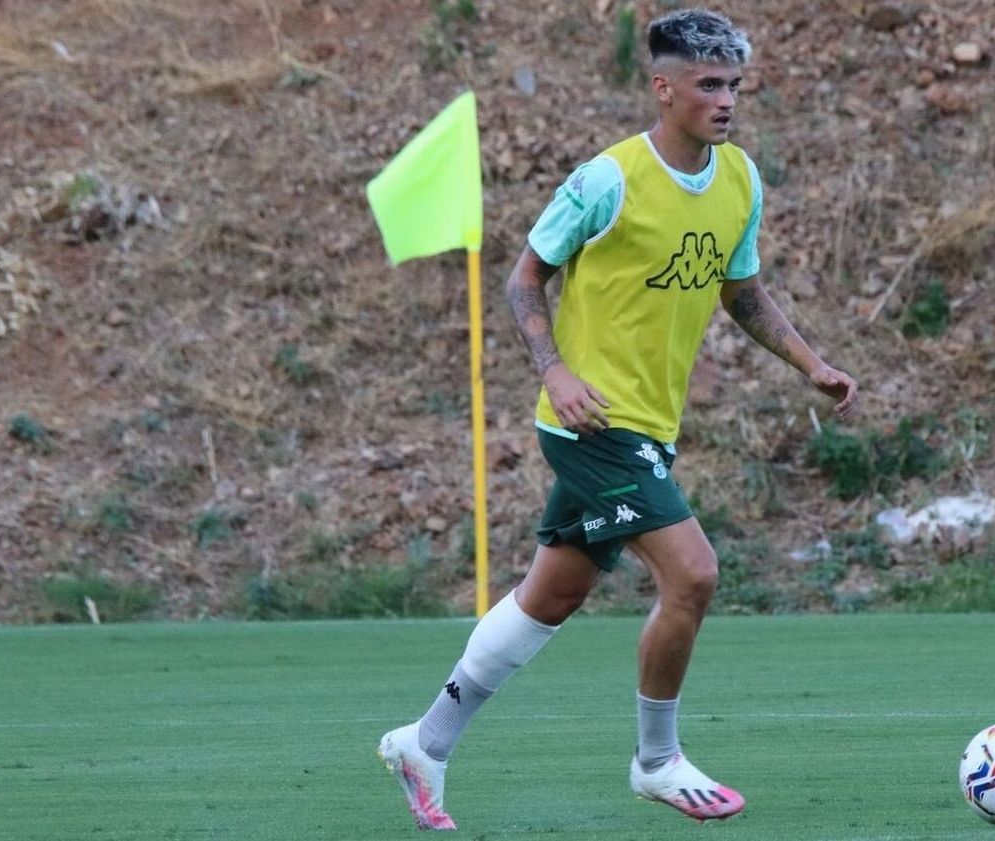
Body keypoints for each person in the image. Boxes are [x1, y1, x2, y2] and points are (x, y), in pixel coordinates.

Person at [378, 8, 859, 830]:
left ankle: (424, 743)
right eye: (708, 84)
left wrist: (809, 362)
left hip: (651, 427)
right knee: (693, 573)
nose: (726, 99)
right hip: (590, 424)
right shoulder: (607, 180)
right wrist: (555, 371)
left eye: (735, 85)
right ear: (663, 88)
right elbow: (524, 278)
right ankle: (657, 761)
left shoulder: (740, 179)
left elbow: (741, 290)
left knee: (551, 595)